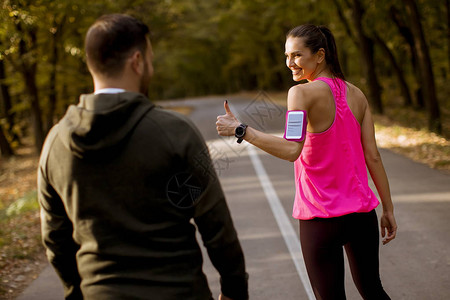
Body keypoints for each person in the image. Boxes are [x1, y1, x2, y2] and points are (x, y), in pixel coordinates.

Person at [38, 14, 248, 300]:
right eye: (150, 58)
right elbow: (216, 225)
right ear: (137, 61)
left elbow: (56, 240)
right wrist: (235, 291)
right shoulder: (175, 132)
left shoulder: (55, 143)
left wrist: (77, 293)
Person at [216, 24, 397, 300]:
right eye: (287, 56)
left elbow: (291, 150)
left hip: (320, 218)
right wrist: (388, 208)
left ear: (320, 55)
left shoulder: (299, 93)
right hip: (362, 216)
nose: (290, 63)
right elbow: (373, 155)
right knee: (373, 290)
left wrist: (241, 130)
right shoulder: (357, 94)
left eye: (297, 55)